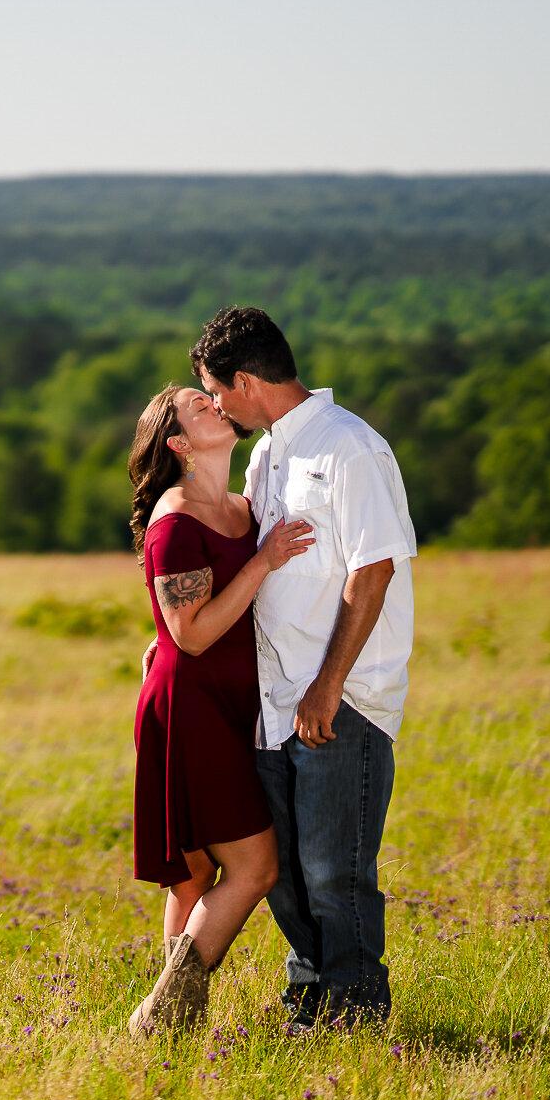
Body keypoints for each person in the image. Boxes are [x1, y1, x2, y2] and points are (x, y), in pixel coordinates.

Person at [190, 306, 418, 1028]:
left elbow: (373, 571)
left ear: (247, 381)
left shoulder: (349, 447)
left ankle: (356, 1008)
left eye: (216, 392)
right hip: (271, 702)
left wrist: (327, 688)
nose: (216, 406)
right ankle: (311, 993)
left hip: (337, 701)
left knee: (334, 870)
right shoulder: (266, 455)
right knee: (284, 873)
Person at [123, 383, 314, 1035]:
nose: (212, 403)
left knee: (197, 873)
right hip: (194, 708)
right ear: (179, 444)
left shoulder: (239, 506)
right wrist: (263, 562)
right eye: (195, 406)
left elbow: (183, 620)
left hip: (237, 704)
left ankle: (171, 1029)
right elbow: (196, 635)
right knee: (254, 867)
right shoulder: (176, 519)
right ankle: (161, 1015)